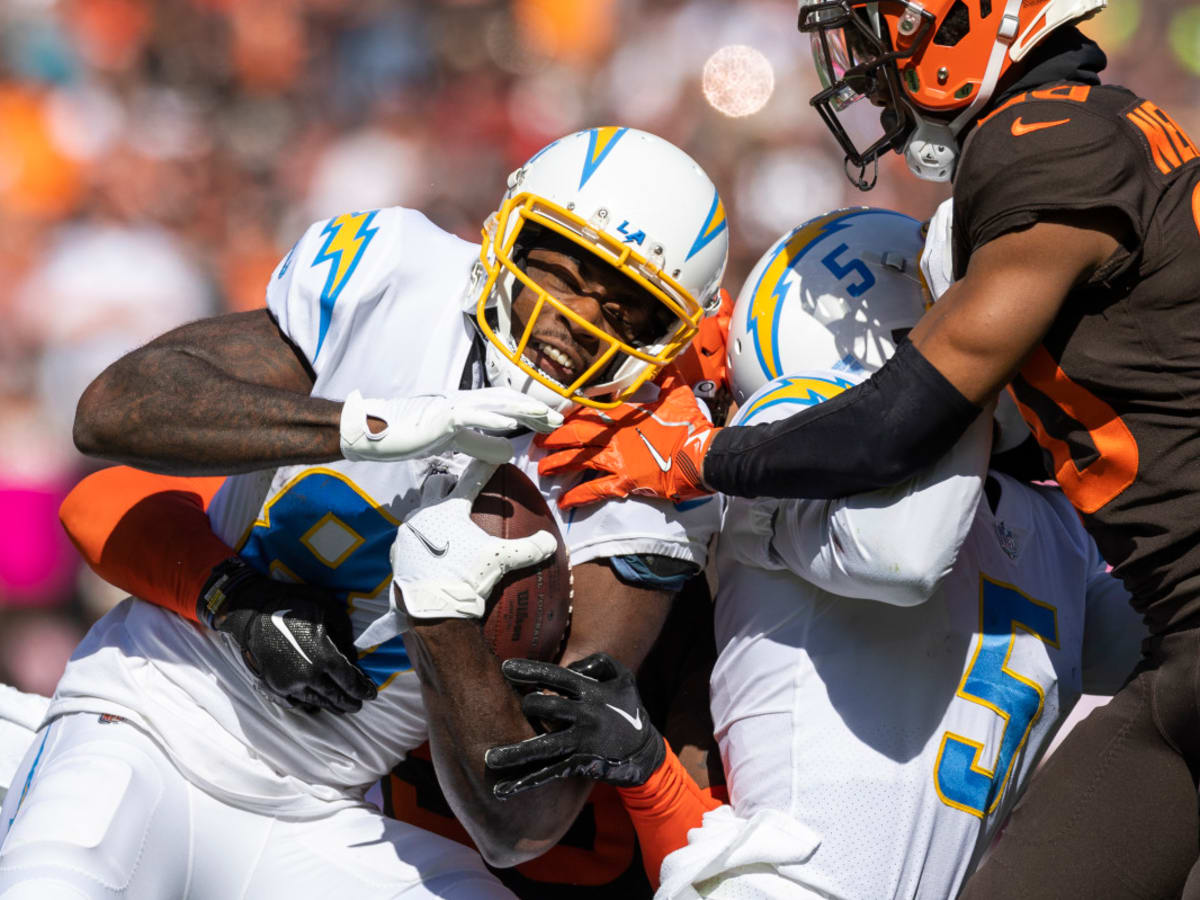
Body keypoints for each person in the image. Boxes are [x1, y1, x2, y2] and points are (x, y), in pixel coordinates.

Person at [531, 4, 1200, 894]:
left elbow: (898, 428)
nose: (866, 59)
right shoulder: (1114, 122)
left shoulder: (1042, 142)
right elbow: (1108, 637)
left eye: (885, 23)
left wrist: (704, 459)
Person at [0, 126, 728, 899]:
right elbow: (114, 410)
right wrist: (368, 425)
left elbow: (523, 824)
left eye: (628, 308)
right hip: (150, 718)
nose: (577, 318)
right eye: (565, 269)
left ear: (671, 335)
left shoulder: (648, 467)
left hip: (326, 811)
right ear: (508, 233)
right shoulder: (401, 276)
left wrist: (442, 616)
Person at [486, 209, 1146, 899]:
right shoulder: (790, 424)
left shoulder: (1046, 520)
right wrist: (973, 354)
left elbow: (1153, 645)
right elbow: (903, 557)